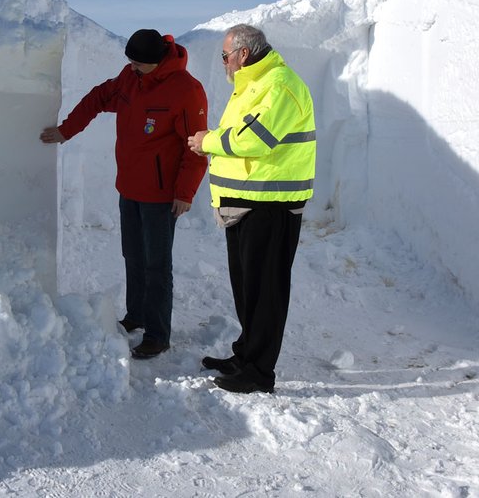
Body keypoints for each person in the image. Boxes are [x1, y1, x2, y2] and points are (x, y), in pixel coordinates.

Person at [41, 28, 208, 359]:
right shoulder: (132, 77)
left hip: (161, 195)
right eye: (129, 62)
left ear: (157, 61)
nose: (131, 67)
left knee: (157, 265)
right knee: (133, 255)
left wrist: (185, 192)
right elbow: (99, 97)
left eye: (138, 63)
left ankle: (158, 334)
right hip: (129, 187)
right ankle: (137, 314)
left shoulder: (186, 91)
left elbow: (196, 148)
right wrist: (66, 131)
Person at [187, 24, 316, 393]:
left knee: (266, 293)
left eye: (225, 55)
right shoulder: (252, 86)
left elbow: (255, 139)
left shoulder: (279, 85)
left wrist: (208, 141)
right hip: (246, 204)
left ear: (243, 54)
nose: (224, 62)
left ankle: (259, 372)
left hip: (270, 206)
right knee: (248, 289)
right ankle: (245, 356)